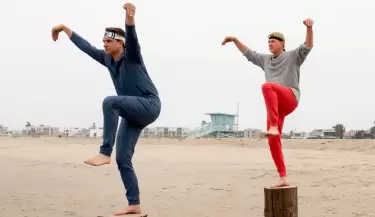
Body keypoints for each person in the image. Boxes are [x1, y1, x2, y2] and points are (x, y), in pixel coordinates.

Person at [51, 2, 161, 215]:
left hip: (149, 105)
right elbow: (86, 47)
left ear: (121, 43)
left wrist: (130, 18)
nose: (104, 44)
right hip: (132, 112)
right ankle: (134, 204)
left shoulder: (132, 56)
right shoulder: (107, 59)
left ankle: (104, 152)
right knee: (123, 158)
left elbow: (132, 36)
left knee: (110, 101)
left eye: (109, 41)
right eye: (103, 41)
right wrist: (65, 29)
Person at [222, 18, 314, 188]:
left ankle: (272, 126)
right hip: (276, 107)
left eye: (273, 42)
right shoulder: (266, 60)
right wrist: (234, 40)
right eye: (268, 42)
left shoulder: (293, 56)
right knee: (273, 140)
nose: (270, 44)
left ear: (282, 44)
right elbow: (249, 53)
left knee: (267, 86)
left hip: (290, 97)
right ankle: (283, 176)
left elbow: (308, 45)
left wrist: (309, 27)